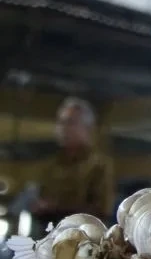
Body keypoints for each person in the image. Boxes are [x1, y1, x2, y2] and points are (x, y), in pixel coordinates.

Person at [30, 97, 115, 229]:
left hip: (84, 239)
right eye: (60, 122)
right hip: (48, 236)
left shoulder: (99, 166)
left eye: (70, 122)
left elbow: (102, 210)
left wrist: (56, 208)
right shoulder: (50, 166)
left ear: (87, 128)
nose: (63, 128)